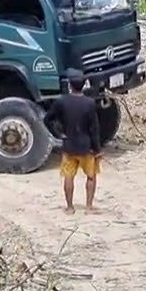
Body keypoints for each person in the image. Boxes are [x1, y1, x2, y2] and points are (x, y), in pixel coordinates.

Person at [42, 70, 102, 213]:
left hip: (69, 145)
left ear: (70, 85)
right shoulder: (90, 103)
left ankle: (70, 207)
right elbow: (94, 129)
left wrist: (58, 134)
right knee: (91, 176)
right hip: (86, 147)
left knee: (68, 177)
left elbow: (47, 119)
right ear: (84, 85)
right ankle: (88, 207)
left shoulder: (62, 101)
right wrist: (97, 149)